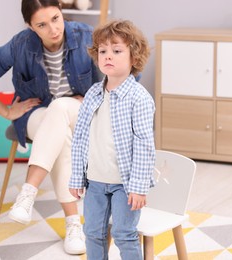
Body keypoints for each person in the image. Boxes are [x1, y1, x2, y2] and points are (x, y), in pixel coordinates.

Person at [0, 0, 100, 255]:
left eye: (56, 19)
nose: (53, 29)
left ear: (61, 12)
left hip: (81, 113)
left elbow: (127, 73)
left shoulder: (87, 36)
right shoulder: (20, 44)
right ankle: (73, 224)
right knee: (60, 132)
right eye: (42, 24)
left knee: (60, 108)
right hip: (38, 115)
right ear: (30, 26)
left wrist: (93, 97)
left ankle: (28, 192)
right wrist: (6, 111)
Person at [69, 19, 156, 259]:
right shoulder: (93, 94)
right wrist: (77, 176)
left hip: (125, 184)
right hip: (95, 181)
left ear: (134, 58)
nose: (108, 56)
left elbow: (144, 145)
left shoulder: (139, 98)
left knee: (124, 234)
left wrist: (138, 187)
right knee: (93, 232)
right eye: (103, 51)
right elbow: (80, 139)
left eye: (117, 51)